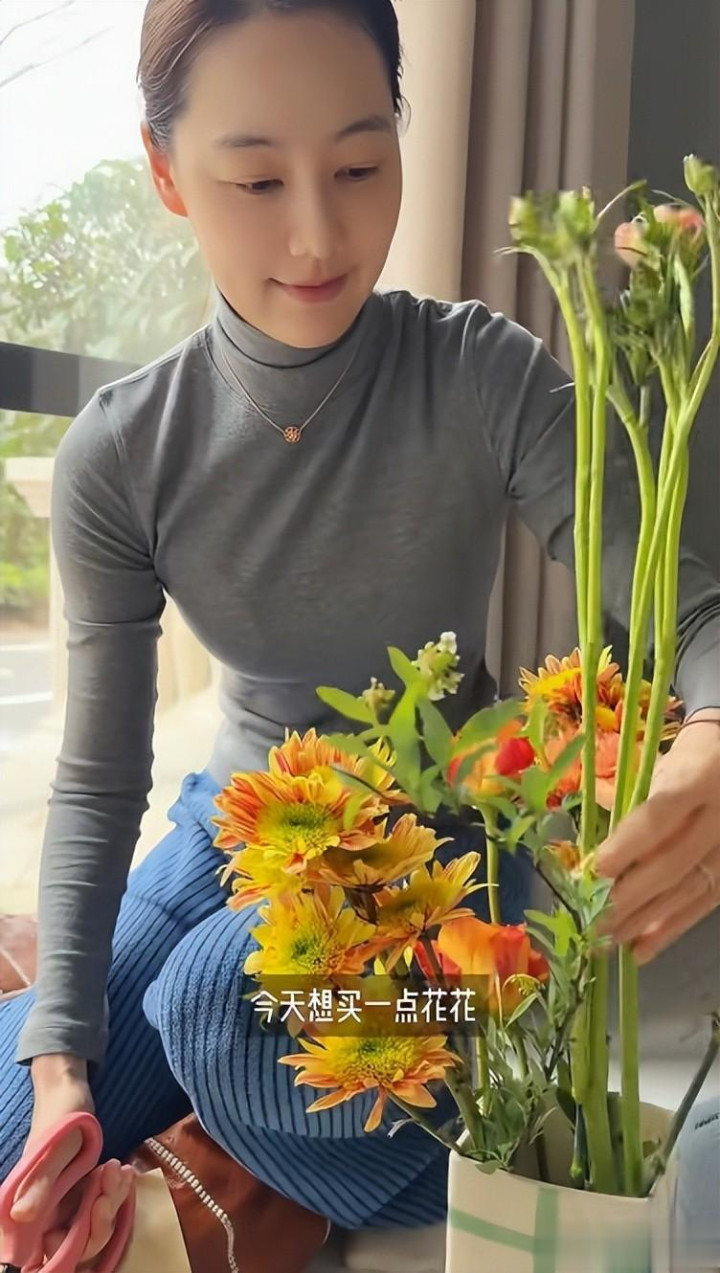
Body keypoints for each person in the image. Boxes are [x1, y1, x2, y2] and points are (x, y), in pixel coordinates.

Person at [1, 0, 719, 1267]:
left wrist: (714, 732)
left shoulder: (482, 375)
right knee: (21, 1131)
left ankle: (280, 1147)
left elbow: (695, 610)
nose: (319, 236)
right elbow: (100, 781)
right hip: (234, 837)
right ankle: (279, 1144)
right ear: (166, 172)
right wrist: (62, 1069)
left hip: (444, 862)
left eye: (358, 166)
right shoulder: (124, 450)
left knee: (219, 1007)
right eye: (255, 179)